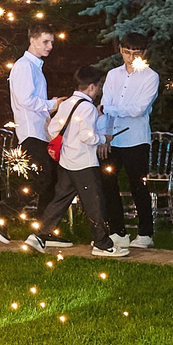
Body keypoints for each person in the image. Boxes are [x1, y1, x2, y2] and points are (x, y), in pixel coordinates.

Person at [32, 67, 123, 256]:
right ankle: (102, 244)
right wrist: (103, 139)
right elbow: (87, 137)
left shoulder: (67, 103)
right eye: (98, 87)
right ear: (91, 87)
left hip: (66, 161)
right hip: (84, 163)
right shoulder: (88, 108)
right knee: (95, 203)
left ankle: (39, 235)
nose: (98, 91)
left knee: (60, 200)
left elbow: (53, 128)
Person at [98, 36, 160, 249]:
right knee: (108, 183)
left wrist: (108, 109)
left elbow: (138, 109)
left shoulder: (150, 77)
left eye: (136, 53)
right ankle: (117, 231)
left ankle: (145, 233)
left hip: (136, 139)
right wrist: (105, 135)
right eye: (127, 52)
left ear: (144, 52)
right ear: (121, 51)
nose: (131, 57)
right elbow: (105, 102)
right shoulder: (113, 75)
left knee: (138, 185)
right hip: (112, 139)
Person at [4, 28, 60, 238]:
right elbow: (25, 100)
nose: (50, 46)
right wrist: (53, 103)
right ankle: (0, 212)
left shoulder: (35, 67)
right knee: (43, 178)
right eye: (46, 41)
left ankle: (44, 231)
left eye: (52, 42)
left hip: (39, 132)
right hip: (30, 132)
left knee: (50, 179)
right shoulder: (24, 66)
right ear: (32, 40)